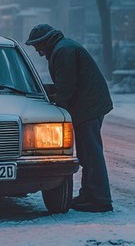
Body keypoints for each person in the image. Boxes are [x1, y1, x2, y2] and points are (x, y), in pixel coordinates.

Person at [25, 23, 114, 212]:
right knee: (88, 154)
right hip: (89, 105)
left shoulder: (63, 51)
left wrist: (54, 107)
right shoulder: (64, 47)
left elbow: (66, 88)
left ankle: (100, 199)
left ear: (44, 41)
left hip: (88, 107)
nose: (38, 52)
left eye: (37, 46)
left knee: (91, 154)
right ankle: (89, 195)